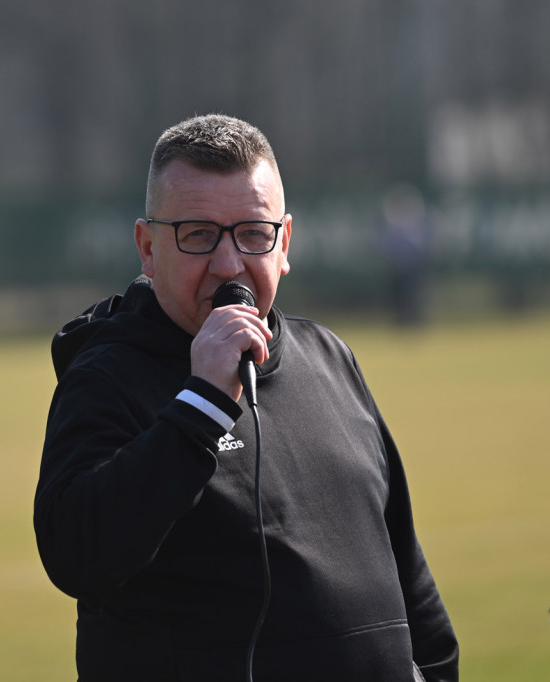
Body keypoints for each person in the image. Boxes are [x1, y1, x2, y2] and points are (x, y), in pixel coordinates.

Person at [34, 114, 459, 681]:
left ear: (284, 244)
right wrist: (203, 401)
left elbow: (403, 564)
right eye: (198, 234)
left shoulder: (329, 356)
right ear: (147, 247)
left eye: (252, 234)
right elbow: (77, 555)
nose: (229, 264)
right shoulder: (109, 378)